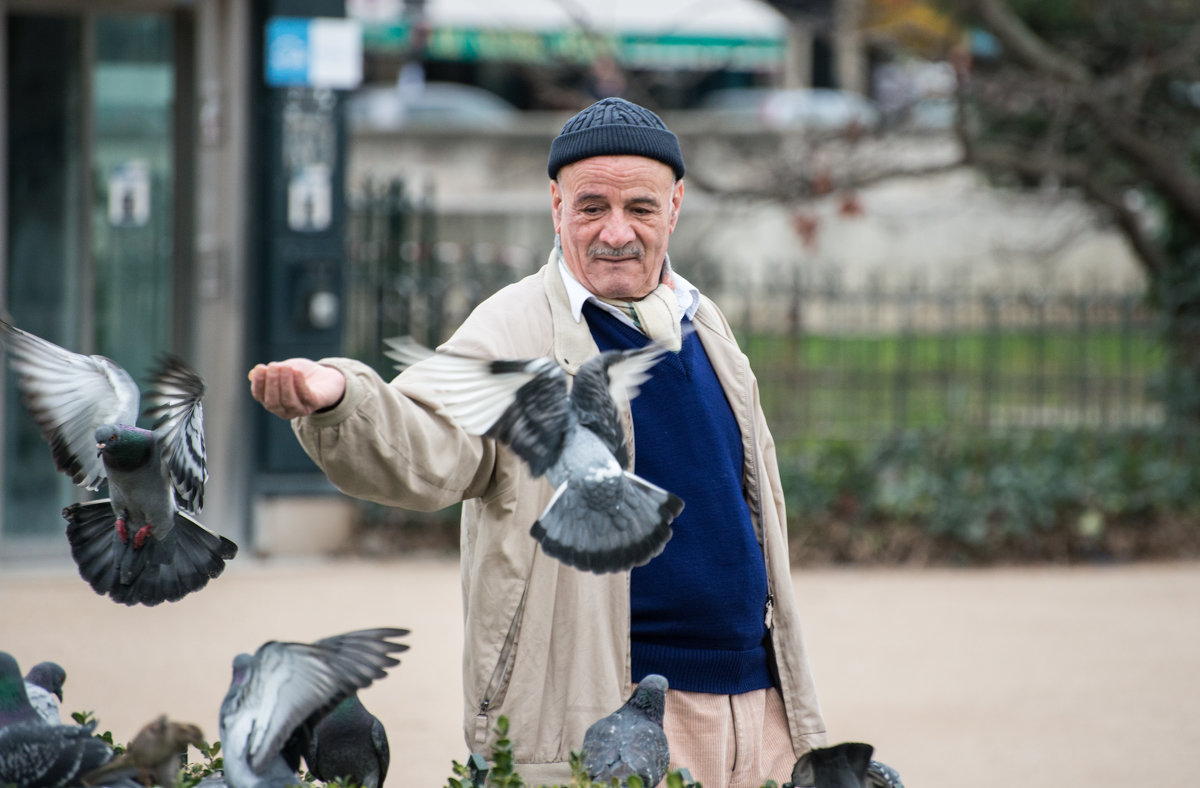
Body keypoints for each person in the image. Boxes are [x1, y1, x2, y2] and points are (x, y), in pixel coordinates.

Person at [249, 97, 827, 787]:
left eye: (640, 209)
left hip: (756, 710)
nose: (618, 232)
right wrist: (344, 399)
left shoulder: (705, 325)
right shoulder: (513, 327)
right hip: (604, 714)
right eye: (592, 208)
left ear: (675, 208)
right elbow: (429, 446)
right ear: (556, 207)